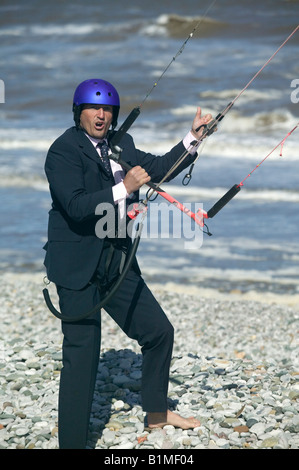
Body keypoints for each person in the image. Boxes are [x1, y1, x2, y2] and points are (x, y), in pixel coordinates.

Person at [43, 78, 212, 449]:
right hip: (77, 266)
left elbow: (159, 168)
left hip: (116, 261)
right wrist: (125, 189)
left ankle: (156, 413)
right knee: (82, 360)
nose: (101, 116)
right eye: (93, 109)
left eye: (107, 110)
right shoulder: (62, 152)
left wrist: (192, 138)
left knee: (158, 332)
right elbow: (75, 205)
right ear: (79, 112)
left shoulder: (122, 145)